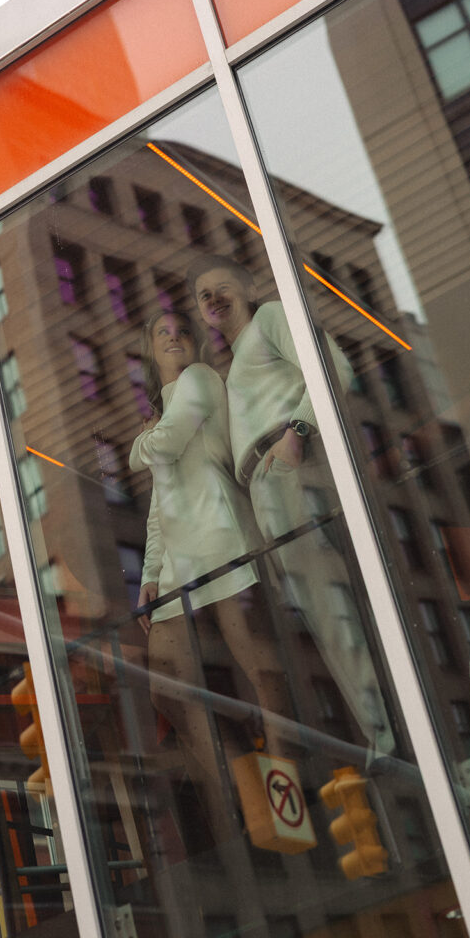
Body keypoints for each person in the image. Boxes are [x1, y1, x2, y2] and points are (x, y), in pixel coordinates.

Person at [187, 255, 394, 755]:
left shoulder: (271, 318)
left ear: (250, 288)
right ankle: (380, 729)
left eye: (222, 286)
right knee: (321, 611)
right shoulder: (235, 362)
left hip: (292, 465)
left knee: (335, 601)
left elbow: (334, 367)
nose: (212, 298)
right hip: (268, 482)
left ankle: (389, 731)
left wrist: (298, 431)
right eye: (203, 294)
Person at [129, 309, 294, 840]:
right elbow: (160, 504)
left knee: (262, 673)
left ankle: (285, 805)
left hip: (223, 540)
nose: (174, 336)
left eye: (182, 330)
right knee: (167, 692)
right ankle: (248, 793)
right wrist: (150, 573)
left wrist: (139, 443)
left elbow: (160, 448)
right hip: (179, 564)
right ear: (150, 352)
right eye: (162, 332)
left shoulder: (200, 380)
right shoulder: (164, 409)